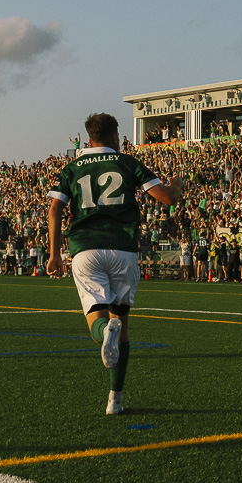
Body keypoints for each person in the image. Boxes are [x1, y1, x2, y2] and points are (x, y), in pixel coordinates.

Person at [45, 113, 181, 416]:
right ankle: (114, 399)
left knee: (98, 322)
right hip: (123, 249)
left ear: (89, 137)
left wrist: (54, 254)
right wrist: (176, 185)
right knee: (123, 327)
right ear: (116, 136)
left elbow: (54, 210)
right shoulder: (127, 162)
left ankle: (104, 330)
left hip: (85, 249)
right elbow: (166, 198)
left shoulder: (71, 168)